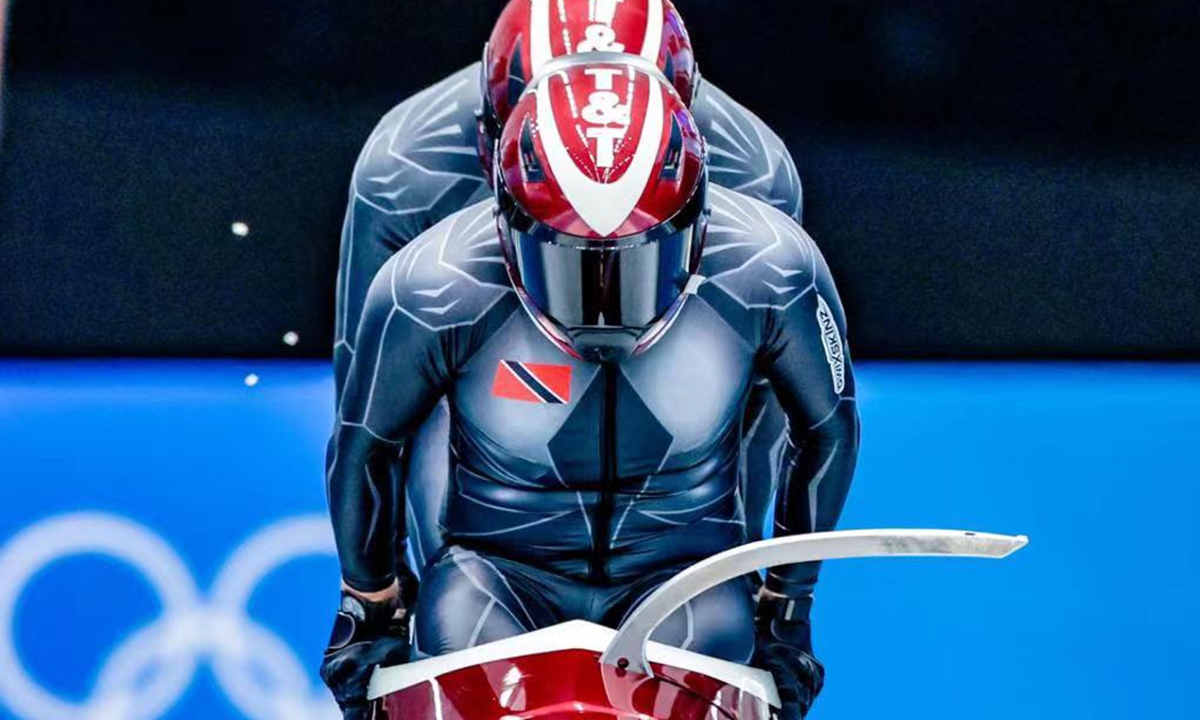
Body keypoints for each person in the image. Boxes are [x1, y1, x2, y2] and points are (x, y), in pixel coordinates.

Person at [321, 60, 859, 720]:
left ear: (697, 217)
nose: (602, 304)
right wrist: (785, 605)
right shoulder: (429, 287)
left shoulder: (774, 269)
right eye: (567, 260)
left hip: (681, 577)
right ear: (505, 221)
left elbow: (826, 430)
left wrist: (369, 603)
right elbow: (367, 446)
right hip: (501, 573)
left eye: (636, 259)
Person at [333, 0, 804, 583]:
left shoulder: (753, 173)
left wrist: (734, 567)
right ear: (490, 128)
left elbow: (763, 410)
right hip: (480, 364)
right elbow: (375, 400)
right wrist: (387, 584)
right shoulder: (404, 170)